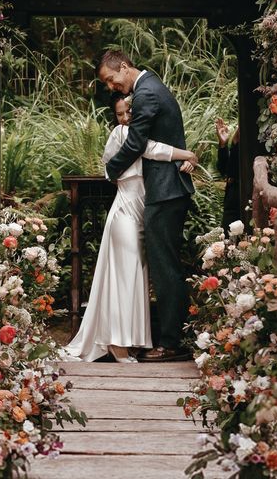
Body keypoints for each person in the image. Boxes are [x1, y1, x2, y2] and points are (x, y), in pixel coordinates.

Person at [64, 93, 196, 363]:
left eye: (129, 113)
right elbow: (147, 150)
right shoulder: (122, 134)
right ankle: (117, 343)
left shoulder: (143, 133)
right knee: (126, 277)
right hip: (124, 212)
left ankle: (131, 340)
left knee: (136, 276)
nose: (124, 119)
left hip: (142, 211)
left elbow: (156, 152)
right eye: (119, 114)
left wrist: (187, 161)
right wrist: (189, 153)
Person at [97, 50, 196, 362]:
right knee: (165, 265)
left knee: (165, 267)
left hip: (165, 192)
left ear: (124, 67)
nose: (111, 86)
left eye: (111, 79)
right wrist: (183, 155)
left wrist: (111, 171)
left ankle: (172, 342)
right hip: (164, 188)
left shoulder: (147, 93)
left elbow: (138, 142)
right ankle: (170, 337)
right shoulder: (149, 88)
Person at [215, 118, 240, 235]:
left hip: (244, 196)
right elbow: (225, 170)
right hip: (233, 196)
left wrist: (236, 143)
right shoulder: (239, 135)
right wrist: (223, 145)